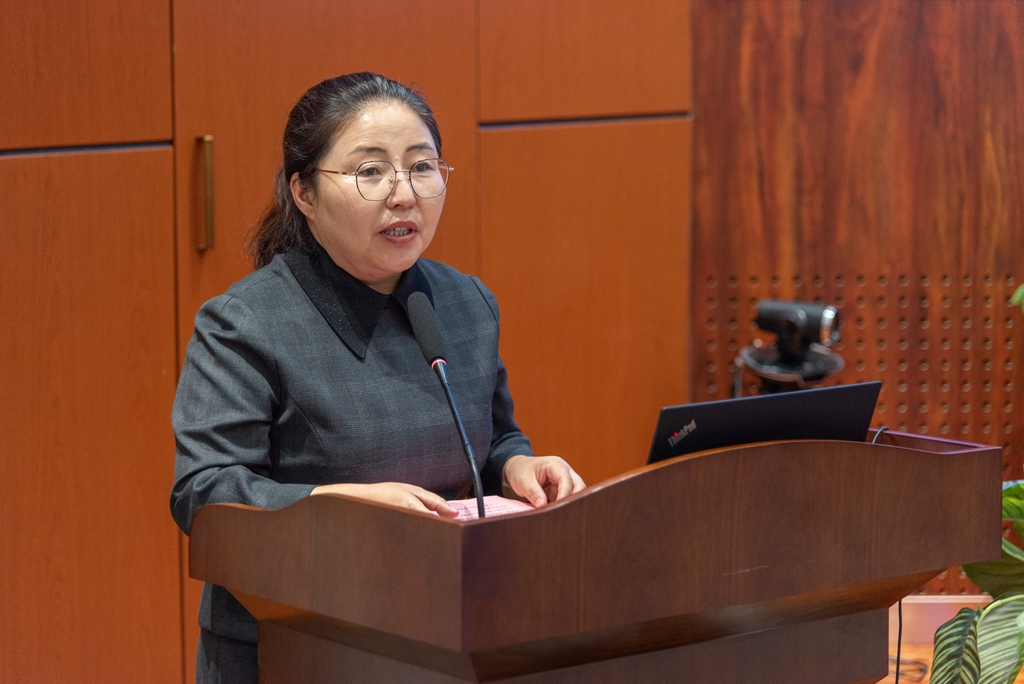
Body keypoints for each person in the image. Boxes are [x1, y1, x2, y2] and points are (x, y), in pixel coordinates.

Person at [169, 72, 586, 684]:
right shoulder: (246, 323)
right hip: (294, 641)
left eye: (422, 168)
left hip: (444, 631)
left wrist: (518, 465)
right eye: (371, 172)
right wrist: (340, 508)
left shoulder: (465, 302)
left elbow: (493, 438)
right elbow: (203, 494)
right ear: (304, 192)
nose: (404, 195)